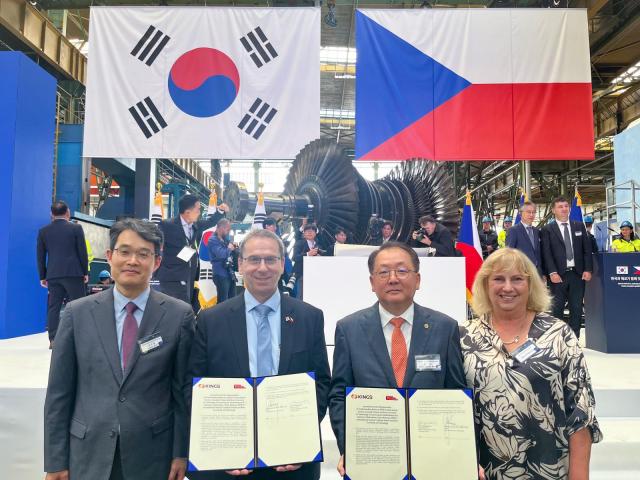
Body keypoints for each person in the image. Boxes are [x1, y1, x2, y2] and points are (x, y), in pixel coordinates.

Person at [44, 218, 194, 480]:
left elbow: (182, 390)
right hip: (88, 452)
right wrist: (56, 461)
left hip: (152, 455)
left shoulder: (178, 315)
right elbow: (59, 392)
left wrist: (181, 452)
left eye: (143, 254)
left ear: (156, 262)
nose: (132, 261)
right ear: (110, 256)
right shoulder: (76, 314)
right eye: (124, 252)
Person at [189, 229, 331, 480]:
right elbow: (194, 385)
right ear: (241, 264)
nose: (262, 268)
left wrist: (299, 437)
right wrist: (220, 447)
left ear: (282, 264)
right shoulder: (211, 320)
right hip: (228, 463)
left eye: (271, 259)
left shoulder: (309, 317)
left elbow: (321, 383)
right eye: (254, 259)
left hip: (292, 461)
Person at [460, 248, 602, 480]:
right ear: (485, 284)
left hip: (549, 469)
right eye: (498, 279)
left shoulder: (558, 334)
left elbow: (581, 412)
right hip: (483, 472)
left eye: (517, 279)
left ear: (531, 285)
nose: (508, 287)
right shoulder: (464, 336)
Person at [328, 242, 466, 476]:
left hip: (432, 460)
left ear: (418, 279)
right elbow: (339, 395)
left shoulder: (445, 328)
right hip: (373, 459)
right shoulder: (349, 329)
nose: (393, 279)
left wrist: (462, 453)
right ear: (372, 283)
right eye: (383, 272)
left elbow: (457, 394)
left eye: (402, 271)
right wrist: (349, 447)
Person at [156, 194, 227, 306]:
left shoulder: (195, 226)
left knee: (186, 309)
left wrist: (220, 211)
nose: (199, 212)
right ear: (188, 212)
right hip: (172, 277)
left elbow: (210, 222)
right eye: (198, 209)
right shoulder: (167, 225)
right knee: (174, 310)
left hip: (189, 276)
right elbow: (155, 244)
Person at [37, 200, 89, 346]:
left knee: (54, 307)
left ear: (51, 214)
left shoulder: (43, 231)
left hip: (53, 275)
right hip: (74, 273)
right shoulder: (76, 228)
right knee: (79, 305)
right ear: (68, 213)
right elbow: (82, 252)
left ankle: (53, 339)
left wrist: (43, 276)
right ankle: (80, 338)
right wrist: (85, 271)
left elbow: (40, 256)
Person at [541, 196, 593, 339]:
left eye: (566, 206)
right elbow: (547, 253)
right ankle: (557, 340)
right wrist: (551, 272)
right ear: (553, 210)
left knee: (576, 309)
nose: (564, 209)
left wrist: (588, 269)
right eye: (560, 207)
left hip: (577, 275)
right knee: (556, 310)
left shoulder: (579, 226)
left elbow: (586, 250)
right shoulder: (547, 229)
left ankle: (573, 340)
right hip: (557, 276)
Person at [506, 201, 543, 276]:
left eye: (533, 212)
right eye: (528, 212)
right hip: (521, 273)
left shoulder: (537, 231)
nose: (531, 215)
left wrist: (543, 273)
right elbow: (509, 253)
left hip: (537, 273)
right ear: (521, 214)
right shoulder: (513, 230)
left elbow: (539, 253)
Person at [206, 218, 236, 303]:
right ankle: (220, 316)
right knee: (223, 301)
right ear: (222, 228)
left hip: (229, 272)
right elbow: (221, 254)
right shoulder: (212, 240)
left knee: (232, 299)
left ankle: (230, 316)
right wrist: (229, 248)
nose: (228, 231)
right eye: (228, 229)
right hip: (220, 273)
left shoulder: (226, 240)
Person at [292, 223, 325, 298]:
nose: (310, 232)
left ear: (316, 233)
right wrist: (308, 254)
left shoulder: (319, 245)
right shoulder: (299, 243)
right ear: (304, 233)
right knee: (301, 295)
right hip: (302, 274)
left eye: (312, 231)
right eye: (307, 231)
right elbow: (295, 257)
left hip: (315, 274)